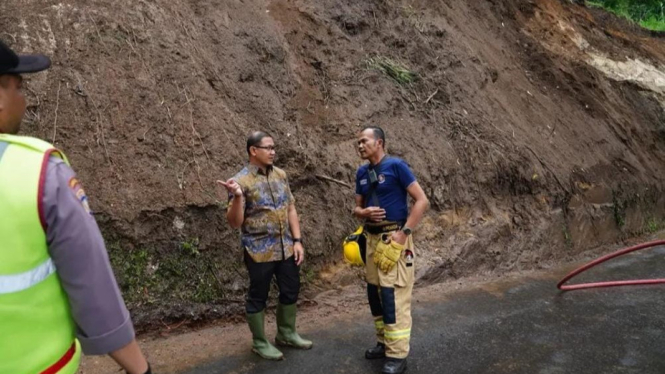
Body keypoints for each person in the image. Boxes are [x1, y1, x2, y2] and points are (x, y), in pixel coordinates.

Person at [0, 40, 151, 374]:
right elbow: (92, 286)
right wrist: (140, 369)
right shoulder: (39, 172)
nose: (23, 101)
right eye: (18, 88)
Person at [218, 131, 312, 360]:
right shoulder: (239, 181)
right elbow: (234, 223)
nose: (273, 152)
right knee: (258, 296)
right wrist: (238, 197)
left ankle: (286, 333)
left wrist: (297, 241)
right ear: (253, 150)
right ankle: (260, 343)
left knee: (291, 289)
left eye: (273, 148)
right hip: (258, 251)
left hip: (286, 248)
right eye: (268, 148)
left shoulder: (280, 175)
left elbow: (290, 208)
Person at [352, 126, 429, 374]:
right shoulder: (362, 173)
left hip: (394, 238)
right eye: (359, 143)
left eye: (364, 141)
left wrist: (403, 234)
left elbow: (422, 200)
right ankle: (384, 343)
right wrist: (363, 213)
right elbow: (357, 208)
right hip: (372, 241)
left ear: (380, 142)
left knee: (393, 296)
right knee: (375, 295)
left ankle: (398, 355)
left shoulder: (396, 166)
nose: (360, 145)